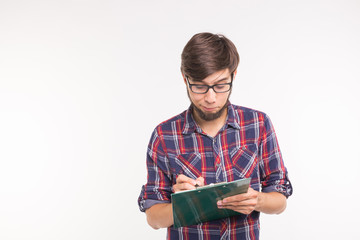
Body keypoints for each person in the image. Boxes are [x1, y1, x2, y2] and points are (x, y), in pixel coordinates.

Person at [138, 32, 292, 240]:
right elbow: (153, 218)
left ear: (233, 76)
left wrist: (257, 200)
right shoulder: (164, 135)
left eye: (220, 86)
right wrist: (182, 204)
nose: (210, 98)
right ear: (185, 79)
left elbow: (279, 200)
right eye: (200, 87)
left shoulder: (258, 124)